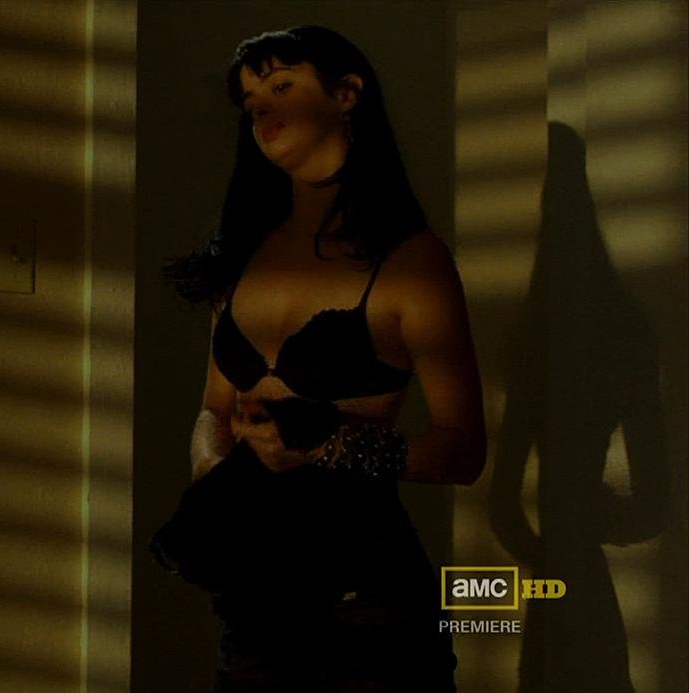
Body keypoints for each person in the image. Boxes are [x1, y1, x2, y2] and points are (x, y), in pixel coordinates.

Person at [151, 25, 487, 692]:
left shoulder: (411, 261)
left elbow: (463, 450)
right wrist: (213, 471)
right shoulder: (243, 252)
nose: (263, 113)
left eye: (281, 87)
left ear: (347, 93)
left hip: (365, 603)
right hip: (251, 603)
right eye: (251, 104)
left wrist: (326, 445)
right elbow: (212, 408)